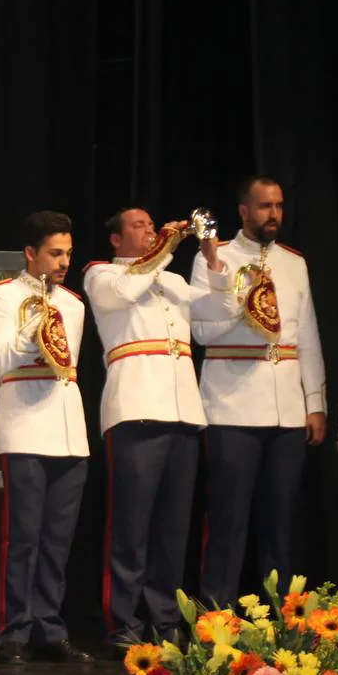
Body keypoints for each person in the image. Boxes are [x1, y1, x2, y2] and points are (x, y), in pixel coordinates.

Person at [84, 207, 234, 648]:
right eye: (139, 226)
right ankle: (124, 621)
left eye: (153, 226)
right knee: (130, 524)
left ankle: (165, 619)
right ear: (116, 239)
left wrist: (211, 258)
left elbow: (218, 314)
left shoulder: (173, 279)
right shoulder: (102, 273)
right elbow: (124, 293)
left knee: (172, 526)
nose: (150, 231)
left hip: (183, 410)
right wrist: (165, 248)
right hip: (135, 406)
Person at [190, 175, 326, 607]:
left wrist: (315, 402)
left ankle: (282, 619)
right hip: (231, 407)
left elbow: (307, 335)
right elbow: (199, 328)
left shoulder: (294, 262)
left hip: (286, 409)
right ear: (244, 211)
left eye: (279, 206)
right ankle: (217, 616)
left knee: (280, 521)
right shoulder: (214, 258)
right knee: (229, 520)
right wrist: (243, 306)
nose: (274, 215)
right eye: (265, 206)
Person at [0, 210, 93, 665]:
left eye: (67, 252)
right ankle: (14, 630)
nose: (63, 261)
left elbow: (66, 368)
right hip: (24, 425)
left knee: (57, 539)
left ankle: (49, 626)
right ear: (30, 253)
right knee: (22, 536)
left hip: (67, 429)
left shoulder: (75, 304)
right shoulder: (1, 297)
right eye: (54, 252)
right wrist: (35, 323)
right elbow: (0, 361)